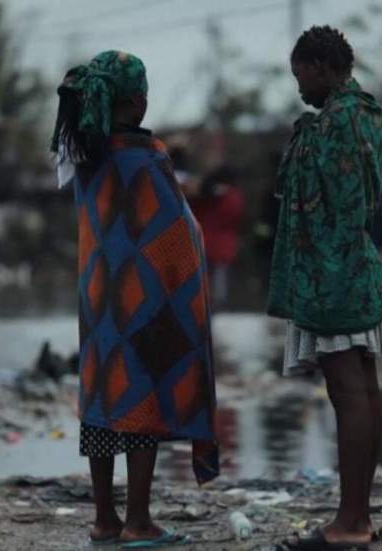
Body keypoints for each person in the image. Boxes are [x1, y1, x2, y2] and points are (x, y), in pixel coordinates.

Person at [50, 50, 218, 547]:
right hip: (145, 302)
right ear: (139, 101)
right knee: (142, 398)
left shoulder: (83, 155)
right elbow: (174, 231)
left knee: (103, 397)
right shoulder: (148, 159)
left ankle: (105, 518)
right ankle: (139, 521)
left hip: (98, 297)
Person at [268, 26, 382, 550]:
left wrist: (305, 134)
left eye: (300, 75)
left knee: (348, 394)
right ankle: (358, 513)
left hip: (333, 276)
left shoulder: (334, 123)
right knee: (364, 387)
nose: (299, 88)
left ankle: (350, 521)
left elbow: (324, 203)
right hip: (359, 268)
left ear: (320, 66)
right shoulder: (370, 116)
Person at [189, 166, 245, 309]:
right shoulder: (233, 197)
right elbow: (236, 216)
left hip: (202, 243)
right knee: (220, 282)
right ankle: (219, 306)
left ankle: (204, 304)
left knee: (203, 279)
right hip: (223, 246)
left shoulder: (202, 196)